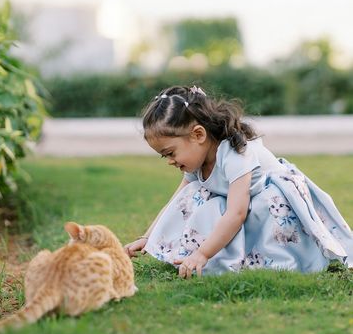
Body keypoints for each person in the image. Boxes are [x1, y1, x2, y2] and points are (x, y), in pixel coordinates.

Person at [124, 84, 353, 278]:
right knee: (193, 194)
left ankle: (274, 257)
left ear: (198, 135)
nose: (169, 161)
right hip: (243, 202)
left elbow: (236, 214)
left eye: (171, 153)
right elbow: (175, 202)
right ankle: (216, 254)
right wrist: (148, 237)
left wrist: (202, 254)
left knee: (253, 211)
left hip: (272, 200)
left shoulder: (235, 154)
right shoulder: (198, 161)